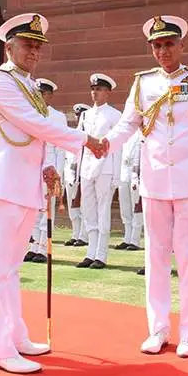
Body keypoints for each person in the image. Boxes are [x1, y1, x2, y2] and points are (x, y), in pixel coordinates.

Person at [0, 12, 103, 374]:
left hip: (24, 183)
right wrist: (85, 139)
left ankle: (16, 337)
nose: (33, 51)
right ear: (9, 47)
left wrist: (48, 165)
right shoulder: (0, 81)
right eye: (27, 45)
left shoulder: (30, 86)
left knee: (11, 268)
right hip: (2, 183)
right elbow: (34, 124)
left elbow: (37, 134)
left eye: (37, 46)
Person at [102, 15, 188, 358]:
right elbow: (128, 124)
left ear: (181, 45)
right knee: (155, 257)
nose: (163, 51)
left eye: (169, 44)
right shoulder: (143, 83)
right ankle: (157, 329)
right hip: (155, 180)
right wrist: (103, 145)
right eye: (157, 46)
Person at [77, 73, 122, 269]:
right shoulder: (85, 115)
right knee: (89, 210)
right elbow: (80, 143)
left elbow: (118, 147)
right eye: (93, 89)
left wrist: (117, 175)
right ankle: (90, 252)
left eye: (99, 89)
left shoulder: (114, 115)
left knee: (103, 210)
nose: (95, 93)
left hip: (106, 166)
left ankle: (101, 255)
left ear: (107, 92)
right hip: (87, 167)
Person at [25, 78, 66, 264]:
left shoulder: (57, 117)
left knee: (46, 209)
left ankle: (43, 248)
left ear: (49, 95)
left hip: (49, 164)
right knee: (33, 209)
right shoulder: (30, 114)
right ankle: (33, 246)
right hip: (32, 164)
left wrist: (58, 173)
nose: (39, 97)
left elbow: (60, 147)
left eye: (42, 94)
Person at [62, 103, 90, 247]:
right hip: (70, 175)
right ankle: (75, 234)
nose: (78, 118)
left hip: (82, 175)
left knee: (84, 208)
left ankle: (84, 236)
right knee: (73, 208)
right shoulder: (72, 134)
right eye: (77, 115)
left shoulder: (88, 136)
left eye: (81, 115)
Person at [116, 130, 144, 251]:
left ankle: (135, 239)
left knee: (136, 207)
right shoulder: (124, 133)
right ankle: (127, 238)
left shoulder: (142, 133)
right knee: (125, 207)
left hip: (136, 174)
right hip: (123, 172)